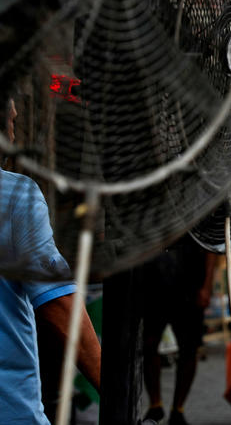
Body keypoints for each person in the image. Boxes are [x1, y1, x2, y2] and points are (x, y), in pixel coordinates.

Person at [0, 91, 102, 424]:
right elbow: (58, 305)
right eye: (12, 112)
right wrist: (116, 394)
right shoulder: (16, 196)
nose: (16, 112)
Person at [141, 235, 216, 425]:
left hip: (190, 280)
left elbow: (211, 247)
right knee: (149, 343)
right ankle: (155, 404)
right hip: (156, 279)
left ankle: (178, 408)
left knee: (189, 348)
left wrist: (207, 286)